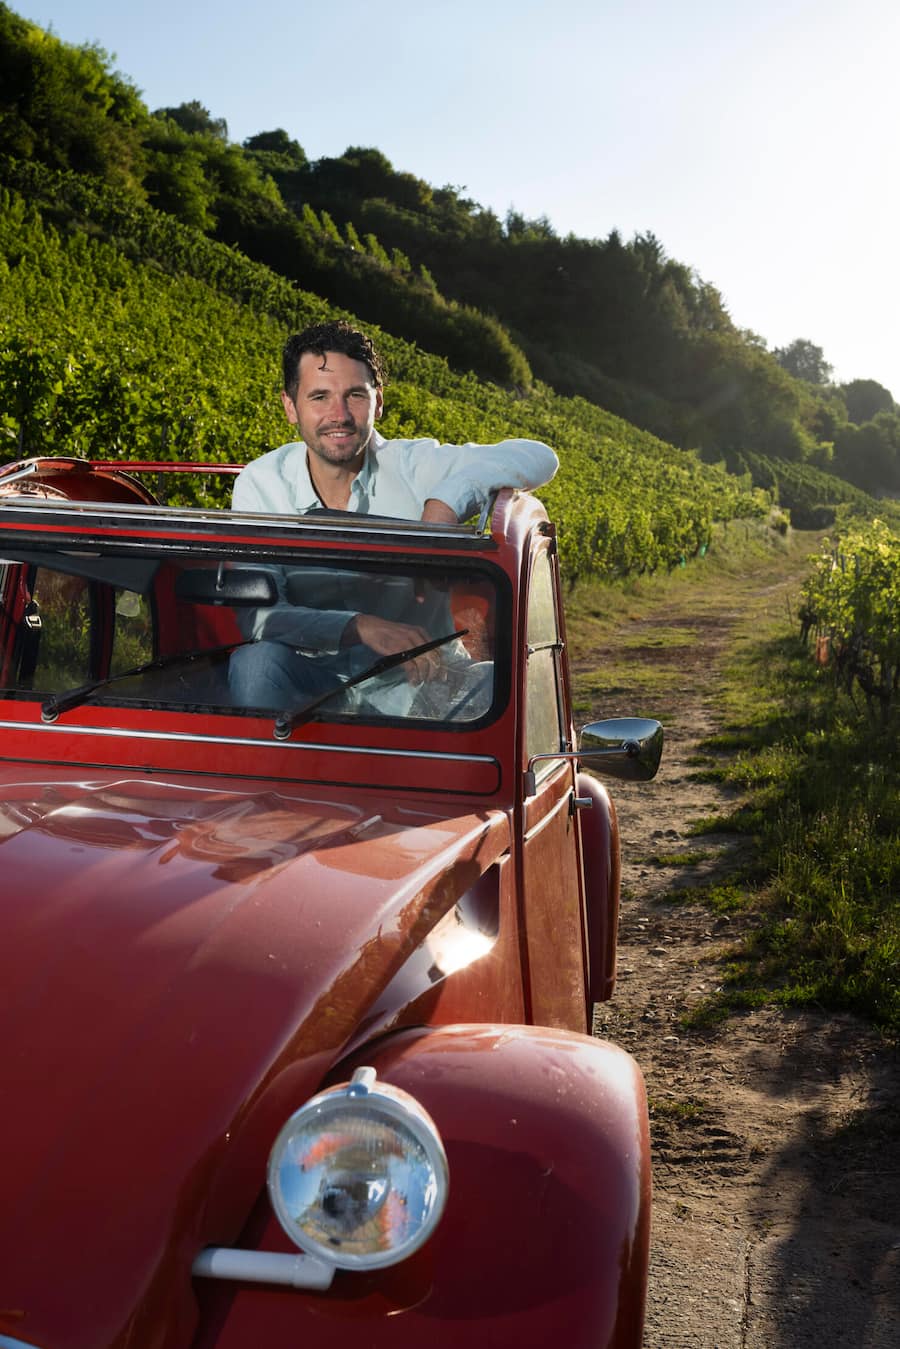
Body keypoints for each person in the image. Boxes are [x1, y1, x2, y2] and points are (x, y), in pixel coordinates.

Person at [229, 319, 558, 714]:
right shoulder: (262, 483)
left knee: (496, 686)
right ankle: (270, 773)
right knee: (253, 665)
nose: (339, 415)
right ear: (290, 407)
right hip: (313, 677)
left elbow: (538, 456)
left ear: (378, 402)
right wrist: (358, 626)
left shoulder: (415, 464)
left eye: (354, 395)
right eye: (319, 397)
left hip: (423, 677)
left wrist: (444, 507)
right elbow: (260, 616)